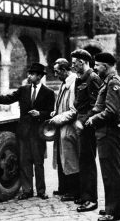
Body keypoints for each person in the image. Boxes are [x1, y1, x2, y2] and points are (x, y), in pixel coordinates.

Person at [0, 62, 55, 200]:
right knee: (24, 162)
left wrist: (40, 113)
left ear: (39, 76)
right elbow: (7, 99)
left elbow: (51, 112)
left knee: (38, 163)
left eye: (33, 74)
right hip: (23, 133)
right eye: (29, 73)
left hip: (38, 134)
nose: (29, 76)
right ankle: (27, 190)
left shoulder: (48, 93)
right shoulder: (23, 90)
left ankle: (41, 191)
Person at [85, 52, 120, 221]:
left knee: (110, 172)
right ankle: (116, 208)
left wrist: (93, 119)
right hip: (107, 132)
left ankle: (112, 211)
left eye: (97, 65)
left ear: (106, 66)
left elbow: (112, 111)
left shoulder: (113, 83)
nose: (95, 68)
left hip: (108, 132)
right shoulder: (109, 82)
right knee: (113, 171)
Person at [71, 49, 102, 212]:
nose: (72, 65)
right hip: (81, 124)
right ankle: (85, 195)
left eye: (74, 63)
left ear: (82, 62)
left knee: (88, 161)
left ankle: (91, 199)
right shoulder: (81, 78)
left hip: (88, 126)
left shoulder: (92, 78)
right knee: (83, 160)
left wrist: (83, 121)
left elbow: (97, 106)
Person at [49, 58, 80, 202]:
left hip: (69, 127)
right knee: (61, 159)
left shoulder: (73, 84)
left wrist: (58, 118)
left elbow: (74, 111)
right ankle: (64, 188)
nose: (55, 75)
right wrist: (54, 113)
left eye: (56, 72)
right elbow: (61, 104)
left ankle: (73, 191)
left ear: (63, 70)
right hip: (61, 126)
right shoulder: (64, 84)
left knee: (70, 159)